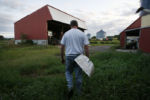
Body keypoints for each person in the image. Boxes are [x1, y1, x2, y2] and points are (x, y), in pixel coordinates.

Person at [60, 20, 89, 98]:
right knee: (78, 74)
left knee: (68, 72)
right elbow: (86, 47)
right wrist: (87, 58)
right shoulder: (82, 34)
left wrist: (62, 58)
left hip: (69, 56)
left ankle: (70, 87)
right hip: (79, 56)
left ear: (71, 25)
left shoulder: (66, 34)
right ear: (77, 25)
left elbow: (62, 47)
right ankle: (79, 92)